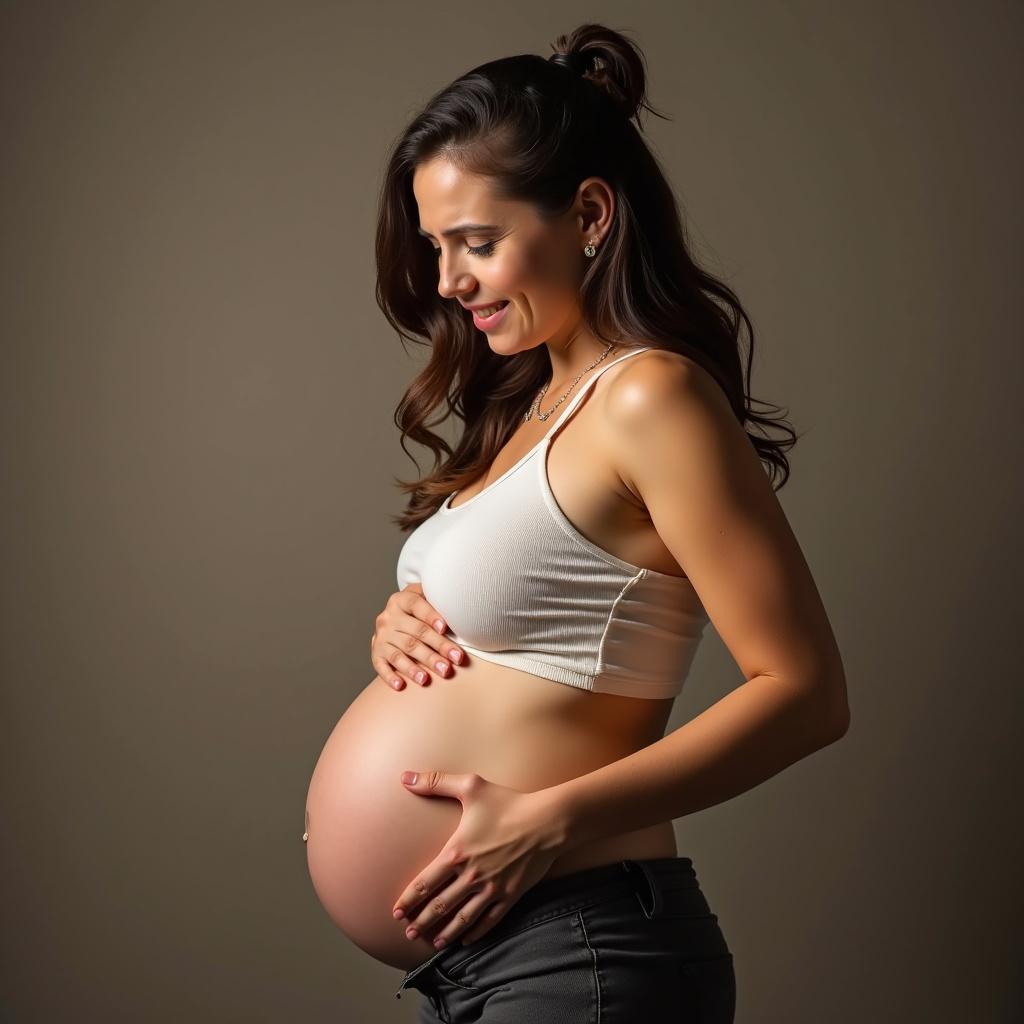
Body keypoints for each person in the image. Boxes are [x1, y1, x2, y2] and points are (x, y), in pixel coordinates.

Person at [369, 22, 850, 1023]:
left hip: (579, 945)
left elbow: (805, 692)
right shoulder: (525, 409)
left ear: (588, 213)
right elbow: (533, 618)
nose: (451, 283)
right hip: (491, 959)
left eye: (477, 242)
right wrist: (403, 622)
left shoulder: (649, 396)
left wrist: (551, 820)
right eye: (436, 247)